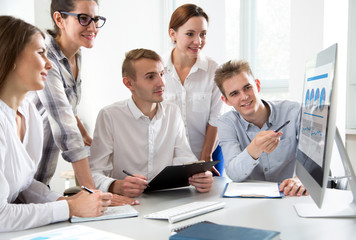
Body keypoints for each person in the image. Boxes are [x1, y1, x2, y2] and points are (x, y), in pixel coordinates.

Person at [0, 16, 112, 232]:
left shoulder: (29, 112)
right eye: (41, 53)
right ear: (12, 55)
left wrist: (66, 201)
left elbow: (23, 185)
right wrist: (69, 208)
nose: (49, 64)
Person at [89, 48, 213, 198]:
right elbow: (93, 173)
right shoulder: (109, 116)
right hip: (127, 203)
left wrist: (200, 176)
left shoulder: (173, 112)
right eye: (150, 77)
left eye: (162, 74)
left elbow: (185, 158)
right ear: (129, 84)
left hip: (166, 199)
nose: (161, 83)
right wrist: (116, 185)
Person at [30, 0, 101, 188]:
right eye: (84, 19)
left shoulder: (76, 54)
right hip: (24, 176)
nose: (93, 27)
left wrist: (86, 137)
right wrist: (92, 192)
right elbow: (65, 125)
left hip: (40, 180)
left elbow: (69, 109)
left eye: (95, 19)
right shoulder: (45, 58)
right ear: (59, 19)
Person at [215, 60, 308, 196]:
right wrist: (255, 148)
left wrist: (301, 179)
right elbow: (233, 173)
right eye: (234, 94)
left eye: (247, 87)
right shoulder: (226, 123)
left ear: (257, 85)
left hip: (290, 195)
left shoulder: (294, 112)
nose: (244, 97)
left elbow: (313, 159)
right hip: (250, 201)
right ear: (226, 100)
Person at [164, 4, 224, 175]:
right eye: (190, 34)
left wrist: (204, 159)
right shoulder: (158, 69)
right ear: (173, 34)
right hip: (168, 159)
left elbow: (215, 119)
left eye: (203, 34)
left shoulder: (214, 70)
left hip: (207, 153)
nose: (198, 42)